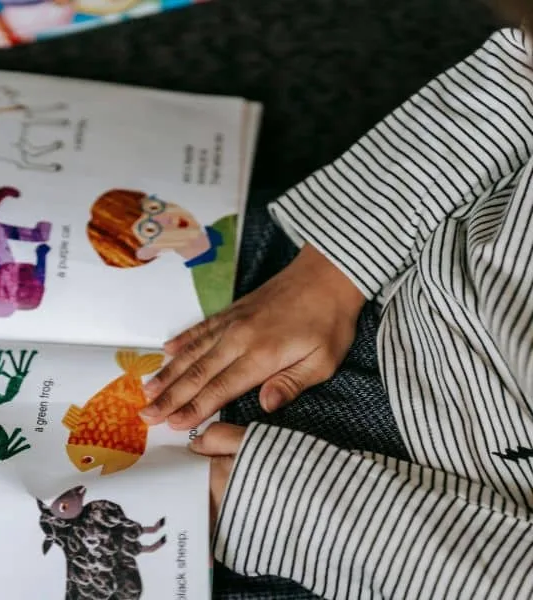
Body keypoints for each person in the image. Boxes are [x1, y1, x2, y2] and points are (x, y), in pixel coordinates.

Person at [137, 21, 533, 600]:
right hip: (399, 263)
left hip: (394, 545)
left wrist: (303, 512)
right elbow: (521, 70)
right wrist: (334, 269)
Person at [86, 188, 238, 317]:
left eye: (154, 207)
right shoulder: (210, 291)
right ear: (147, 253)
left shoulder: (230, 223)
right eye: (150, 229)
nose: (166, 218)